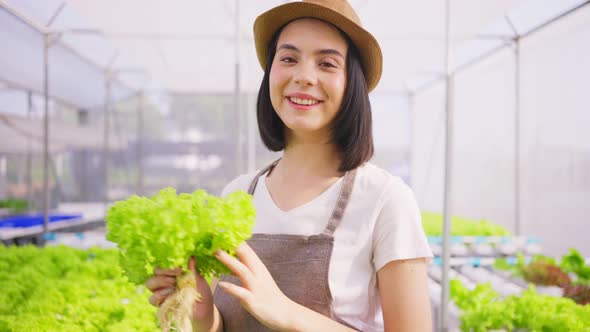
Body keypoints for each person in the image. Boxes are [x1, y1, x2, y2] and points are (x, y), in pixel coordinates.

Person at [146, 0, 433, 331]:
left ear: (351, 83)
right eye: (288, 58)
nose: (304, 76)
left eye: (327, 63)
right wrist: (203, 315)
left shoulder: (385, 199)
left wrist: (285, 311)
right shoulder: (238, 194)